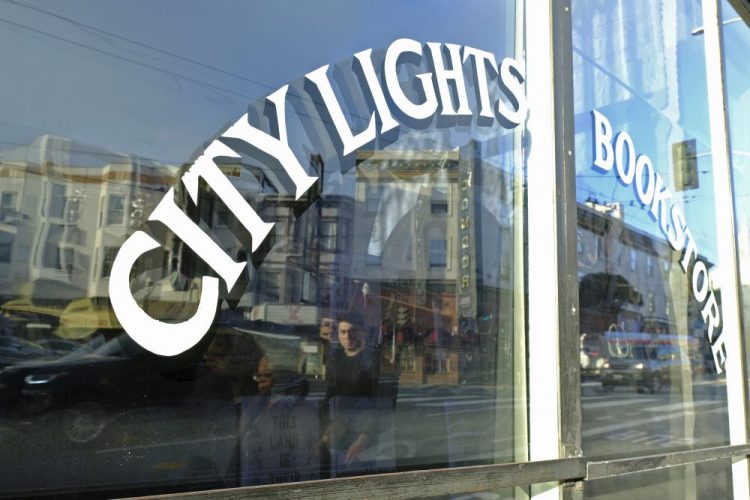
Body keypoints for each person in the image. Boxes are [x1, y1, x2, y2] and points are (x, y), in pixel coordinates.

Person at [322, 313, 379, 477]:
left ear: (362, 332)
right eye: (343, 332)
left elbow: (380, 403)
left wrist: (364, 438)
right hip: (339, 435)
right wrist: (327, 426)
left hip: (364, 440)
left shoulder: (372, 360)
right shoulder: (336, 358)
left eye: (352, 331)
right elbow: (329, 396)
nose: (347, 336)